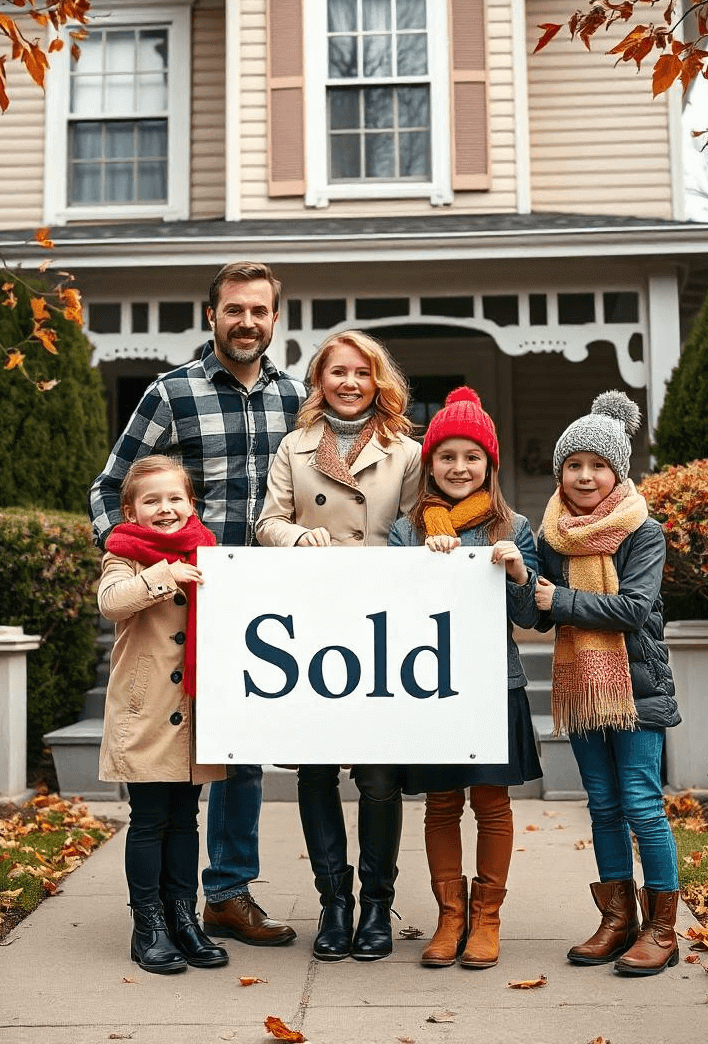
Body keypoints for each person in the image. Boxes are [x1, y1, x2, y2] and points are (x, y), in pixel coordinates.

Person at [89, 261, 305, 948]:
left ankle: (227, 894)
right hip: (178, 606)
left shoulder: (297, 400)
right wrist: (134, 563)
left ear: (276, 319)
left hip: (259, 606)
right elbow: (110, 490)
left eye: (259, 311)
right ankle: (163, 911)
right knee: (167, 769)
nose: (247, 321)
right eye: (234, 309)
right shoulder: (170, 393)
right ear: (210, 314)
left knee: (241, 753)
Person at [256, 330, 422, 962]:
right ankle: (334, 903)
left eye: (362, 373)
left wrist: (379, 559)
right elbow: (268, 521)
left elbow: (416, 525)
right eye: (337, 373)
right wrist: (298, 539)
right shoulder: (293, 449)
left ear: (379, 381)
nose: (349, 384)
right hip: (315, 621)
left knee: (379, 776)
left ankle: (377, 904)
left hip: (383, 624)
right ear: (318, 381)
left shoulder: (405, 451)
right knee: (319, 769)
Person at [387, 387, 542, 969]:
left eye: (471, 457)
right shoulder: (407, 530)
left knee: (492, 802)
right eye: (447, 457)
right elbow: (395, 613)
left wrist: (518, 568)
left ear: (489, 464)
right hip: (431, 686)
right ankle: (448, 916)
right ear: (430, 464)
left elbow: (531, 618)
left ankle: (486, 919)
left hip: (493, 684)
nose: (459, 468)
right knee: (441, 803)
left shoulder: (514, 526)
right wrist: (427, 561)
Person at [534, 391, 681, 977]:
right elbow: (536, 615)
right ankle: (617, 919)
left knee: (643, 804)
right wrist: (523, 576)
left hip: (636, 685)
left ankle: (663, 929)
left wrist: (560, 598)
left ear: (617, 473)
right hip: (582, 686)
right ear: (560, 472)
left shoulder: (643, 532)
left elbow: (636, 608)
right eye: (574, 465)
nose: (585, 476)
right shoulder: (551, 535)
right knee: (602, 805)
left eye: (598, 465)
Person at [98, 455, 229, 974]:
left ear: (191, 504)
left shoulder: (211, 553)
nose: (166, 508)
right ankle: (147, 925)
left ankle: (183, 917)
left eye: (175, 498)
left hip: (196, 710)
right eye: (152, 501)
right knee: (150, 819)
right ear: (131, 512)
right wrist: (163, 573)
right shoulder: (124, 556)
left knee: (186, 818)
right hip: (146, 711)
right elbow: (112, 602)